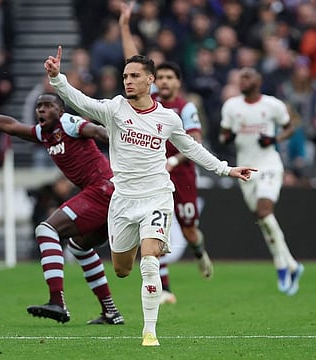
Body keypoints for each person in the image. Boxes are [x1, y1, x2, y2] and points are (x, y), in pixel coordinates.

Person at [43, 46, 255, 346]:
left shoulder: (168, 118)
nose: (127, 81)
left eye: (134, 76)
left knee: (150, 260)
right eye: (125, 76)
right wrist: (57, 80)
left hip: (157, 196)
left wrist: (225, 169)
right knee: (121, 270)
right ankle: (136, 287)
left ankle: (150, 332)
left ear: (149, 81)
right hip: (123, 200)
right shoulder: (115, 109)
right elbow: (82, 101)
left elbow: (191, 147)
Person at [0, 90, 124, 325]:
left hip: (102, 189)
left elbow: (96, 131)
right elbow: (9, 125)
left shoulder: (68, 122)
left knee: (46, 230)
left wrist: (123, 140)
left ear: (60, 110)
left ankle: (57, 301)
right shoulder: (44, 134)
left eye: (47, 105)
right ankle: (111, 312)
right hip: (106, 194)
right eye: (38, 106)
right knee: (79, 248)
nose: (41, 110)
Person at [119, 1, 213, 306]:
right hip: (153, 177)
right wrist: (124, 26)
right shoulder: (151, 100)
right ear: (154, 81)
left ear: (179, 83)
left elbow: (195, 141)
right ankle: (165, 288)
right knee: (155, 230)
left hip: (181, 174)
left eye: (171, 78)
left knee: (188, 230)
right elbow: (132, 60)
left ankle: (199, 252)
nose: (165, 82)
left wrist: (174, 159)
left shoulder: (185, 108)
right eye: (161, 78)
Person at [219, 67, 304, 296]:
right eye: (241, 77)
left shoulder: (273, 105)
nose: (242, 80)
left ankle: (281, 267)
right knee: (263, 218)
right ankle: (293, 265)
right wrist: (229, 138)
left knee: (264, 210)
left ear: (258, 80)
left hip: (268, 165)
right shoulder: (231, 106)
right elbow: (222, 136)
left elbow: (290, 128)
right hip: (244, 169)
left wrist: (274, 139)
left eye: (247, 77)